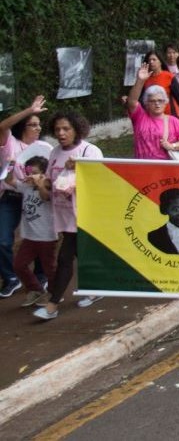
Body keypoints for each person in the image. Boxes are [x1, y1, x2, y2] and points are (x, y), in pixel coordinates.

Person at [34, 113, 103, 320]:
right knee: (80, 254)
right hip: (63, 215)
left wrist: (79, 169)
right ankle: (96, 286)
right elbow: (49, 184)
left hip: (84, 214)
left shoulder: (89, 151)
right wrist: (39, 184)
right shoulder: (54, 152)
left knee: (65, 258)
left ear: (77, 129)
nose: (61, 134)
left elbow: (100, 181)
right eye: (57, 130)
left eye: (66, 129)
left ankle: (52, 304)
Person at [0, 95, 48, 298]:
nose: (38, 128)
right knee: (2, 240)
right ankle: (11, 278)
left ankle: (41, 276)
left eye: (39, 125)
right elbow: (3, 125)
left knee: (40, 236)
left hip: (34, 197)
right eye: (33, 125)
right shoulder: (10, 143)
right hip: (10, 197)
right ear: (23, 127)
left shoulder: (45, 148)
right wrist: (30, 110)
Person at [10, 155, 55, 309]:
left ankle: (55, 293)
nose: (29, 175)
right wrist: (10, 166)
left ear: (43, 173)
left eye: (33, 172)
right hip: (29, 237)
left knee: (50, 268)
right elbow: (9, 181)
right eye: (27, 171)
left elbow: (45, 197)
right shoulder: (26, 187)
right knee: (18, 265)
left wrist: (40, 183)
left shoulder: (49, 186)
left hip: (46, 237)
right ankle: (36, 289)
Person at [128, 63, 179, 161]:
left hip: (165, 170)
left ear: (166, 102)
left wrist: (172, 146)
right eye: (153, 101)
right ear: (146, 103)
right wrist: (140, 81)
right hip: (142, 169)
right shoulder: (140, 117)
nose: (157, 104)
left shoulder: (173, 121)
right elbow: (132, 102)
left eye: (160, 100)